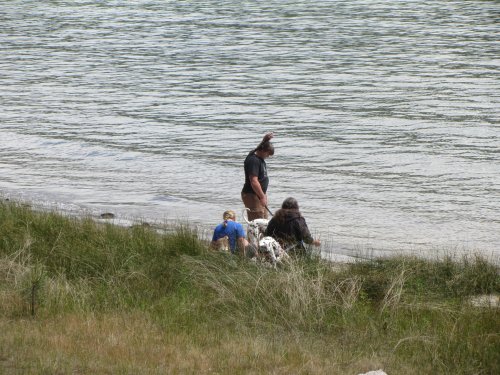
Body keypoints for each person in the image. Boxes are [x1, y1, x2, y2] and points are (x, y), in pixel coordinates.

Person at [241, 132, 275, 221]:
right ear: (263, 151)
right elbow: (254, 181)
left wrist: (264, 140)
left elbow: (259, 147)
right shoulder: (253, 160)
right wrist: (262, 196)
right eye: (268, 154)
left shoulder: (258, 155)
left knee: (264, 221)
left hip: (259, 195)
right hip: (252, 195)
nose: (268, 156)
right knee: (257, 223)